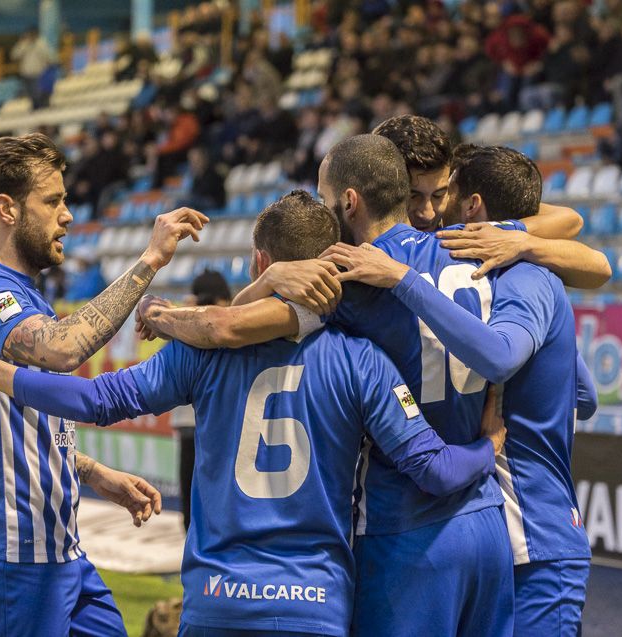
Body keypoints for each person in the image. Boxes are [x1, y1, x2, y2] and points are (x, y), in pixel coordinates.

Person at [0, 189, 508, 637]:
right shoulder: (364, 360)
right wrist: (489, 445)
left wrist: (2, 374)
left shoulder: (199, 351)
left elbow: (94, 400)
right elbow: (434, 469)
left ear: (260, 261)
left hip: (217, 602)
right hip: (314, 604)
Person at [139, 136, 519, 637]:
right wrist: (533, 242)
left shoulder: (346, 278)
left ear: (350, 200)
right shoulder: (482, 249)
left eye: (324, 197)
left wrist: (161, 313)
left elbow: (230, 327)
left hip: (405, 528)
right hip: (491, 519)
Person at [0, 132, 208, 636]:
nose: (68, 215)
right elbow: (62, 349)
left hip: (57, 547)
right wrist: (149, 259)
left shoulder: (26, 296)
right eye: (52, 201)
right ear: (6, 209)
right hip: (13, 548)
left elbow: (19, 423)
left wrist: (91, 471)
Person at [322, 145, 597, 636]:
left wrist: (403, 278)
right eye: (418, 196)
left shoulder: (517, 274)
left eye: (442, 196)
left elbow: (501, 355)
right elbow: (586, 394)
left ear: (471, 205)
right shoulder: (507, 271)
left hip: (516, 526)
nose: (430, 212)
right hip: (500, 524)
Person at [372, 115, 611, 289]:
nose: (428, 213)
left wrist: (515, 238)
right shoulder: (358, 242)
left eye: (438, 195)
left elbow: (577, 229)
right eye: (412, 196)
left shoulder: (472, 240)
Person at [173, 269, 232, 532]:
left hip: (218, 425)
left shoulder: (234, 325)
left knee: (216, 497)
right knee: (191, 498)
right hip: (191, 424)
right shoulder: (183, 324)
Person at [11, 27, 55, 109]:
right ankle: (36, 105)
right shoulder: (24, 44)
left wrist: (50, 63)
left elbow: (48, 55)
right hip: (26, 73)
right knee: (30, 92)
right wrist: (23, 45)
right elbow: (14, 55)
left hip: (38, 72)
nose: (31, 36)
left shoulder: (41, 43)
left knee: (37, 91)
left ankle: (41, 105)